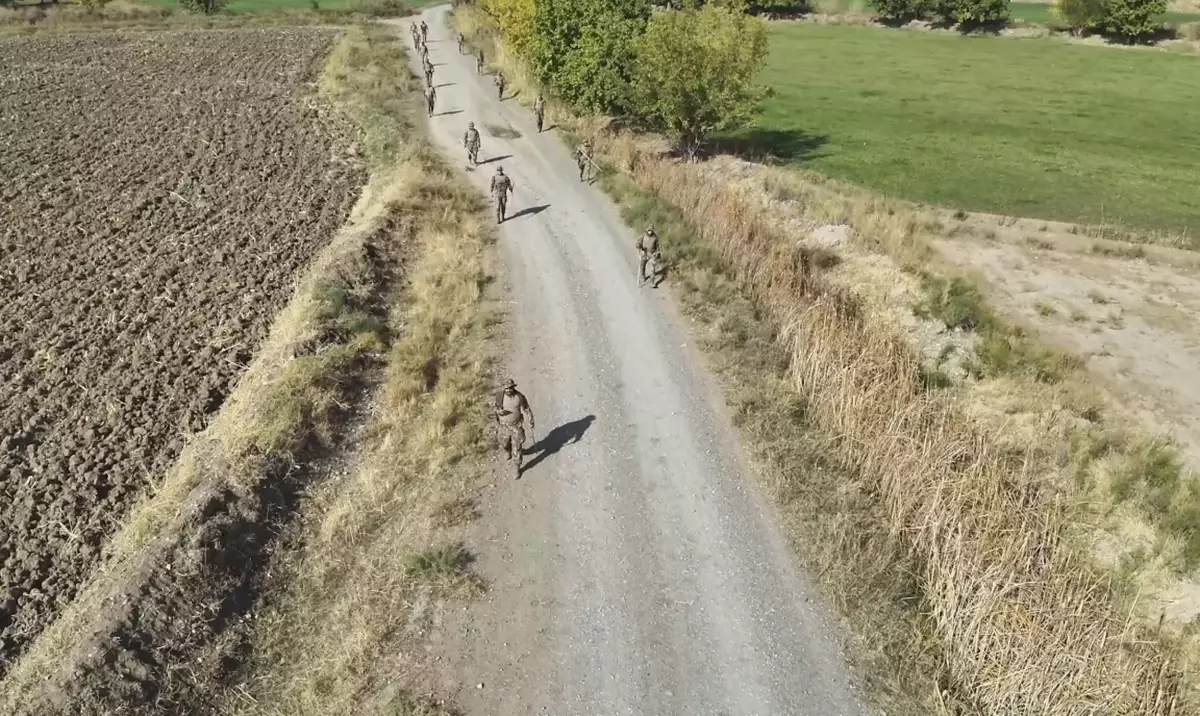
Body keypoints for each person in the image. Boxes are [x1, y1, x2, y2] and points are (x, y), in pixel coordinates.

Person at [492, 378, 534, 476]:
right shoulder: (499, 396)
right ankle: (507, 451)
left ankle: (517, 468)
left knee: (517, 448)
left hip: (516, 426)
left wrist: (531, 419)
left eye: (510, 388)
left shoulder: (519, 397)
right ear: (504, 389)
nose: (509, 390)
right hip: (504, 426)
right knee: (504, 443)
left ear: (513, 387)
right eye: (506, 388)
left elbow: (526, 408)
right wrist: (499, 412)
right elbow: (495, 408)